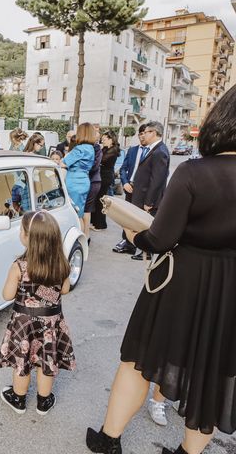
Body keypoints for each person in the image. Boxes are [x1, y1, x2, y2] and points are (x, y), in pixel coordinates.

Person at [85, 85, 236, 454]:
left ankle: (109, 440)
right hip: (231, 290)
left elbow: (160, 238)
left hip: (181, 282)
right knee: (213, 376)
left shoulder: (194, 173)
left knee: (139, 360)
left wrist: (134, 234)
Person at [0, 210, 75, 416]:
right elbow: (65, 290)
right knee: (46, 361)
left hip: (24, 324)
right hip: (50, 323)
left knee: (22, 362)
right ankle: (43, 401)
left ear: (27, 238)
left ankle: (18, 399)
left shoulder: (19, 267)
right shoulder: (62, 264)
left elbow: (7, 295)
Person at [126, 121, 170, 260]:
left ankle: (146, 252)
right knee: (142, 224)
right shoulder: (155, 149)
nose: (144, 134)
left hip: (148, 198)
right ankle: (143, 251)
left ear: (154, 133)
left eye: (147, 132)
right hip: (143, 194)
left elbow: (157, 180)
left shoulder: (160, 151)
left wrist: (149, 201)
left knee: (146, 225)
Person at [112, 124, 147, 255]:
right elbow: (123, 168)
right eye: (140, 133)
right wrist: (125, 182)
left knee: (140, 217)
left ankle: (142, 245)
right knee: (127, 216)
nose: (142, 135)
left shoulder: (151, 152)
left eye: (145, 133)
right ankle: (127, 242)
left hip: (143, 190)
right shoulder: (132, 150)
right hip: (129, 188)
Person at [61, 123, 95, 224]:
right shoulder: (90, 148)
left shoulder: (80, 149)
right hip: (84, 180)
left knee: (75, 214)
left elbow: (64, 163)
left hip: (74, 182)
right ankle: (83, 237)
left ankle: (78, 237)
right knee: (80, 213)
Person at [92, 132, 120, 231]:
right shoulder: (105, 148)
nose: (102, 141)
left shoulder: (113, 150)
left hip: (105, 177)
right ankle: (96, 222)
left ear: (111, 139)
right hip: (102, 176)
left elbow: (102, 160)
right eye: (102, 139)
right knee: (98, 200)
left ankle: (100, 225)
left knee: (100, 201)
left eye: (104, 139)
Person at [83, 129, 103, 240]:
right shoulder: (86, 147)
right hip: (87, 180)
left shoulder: (96, 148)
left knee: (86, 209)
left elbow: (95, 166)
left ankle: (86, 236)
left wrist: (81, 169)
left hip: (92, 181)